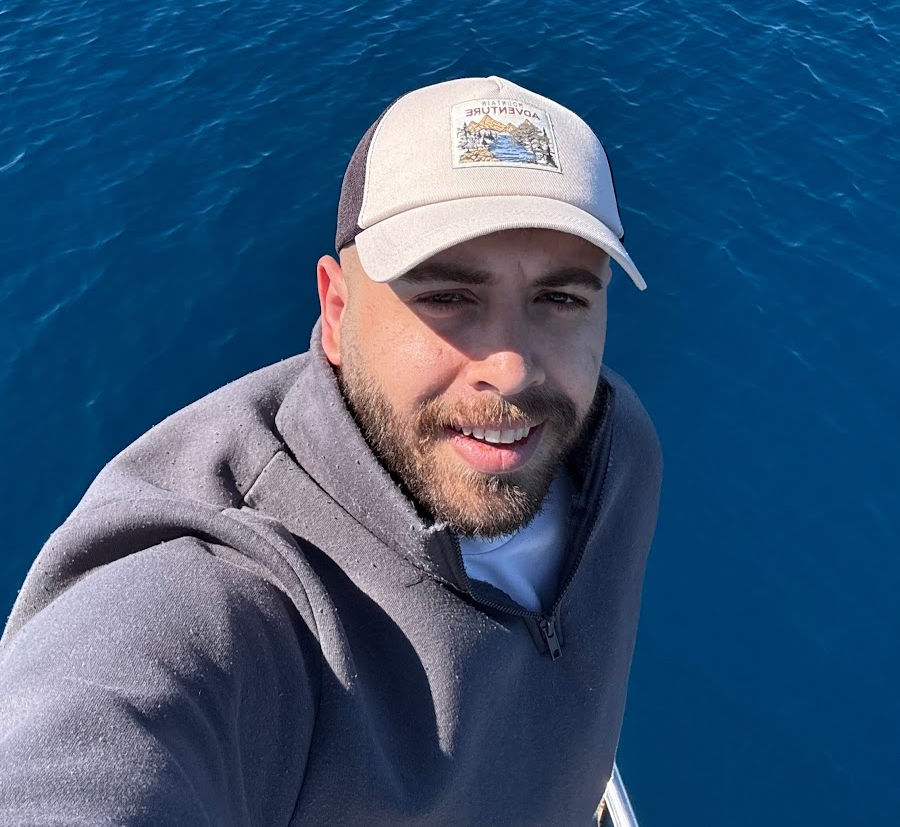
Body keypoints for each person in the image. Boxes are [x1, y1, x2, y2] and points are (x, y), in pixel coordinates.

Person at [0, 76, 661, 825]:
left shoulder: (619, 454)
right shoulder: (228, 588)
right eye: (447, 297)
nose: (511, 370)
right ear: (337, 309)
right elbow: (82, 746)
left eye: (561, 298)